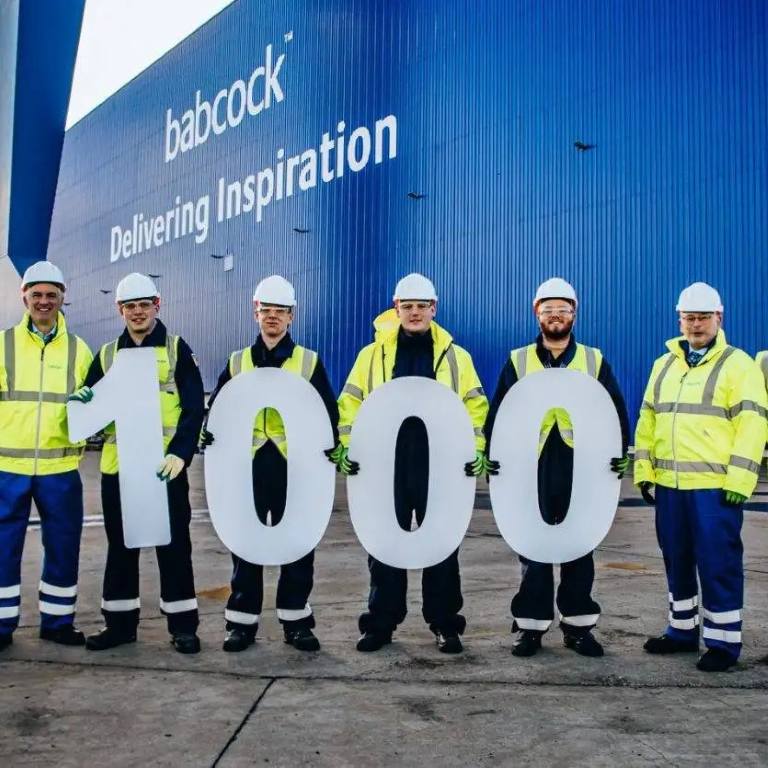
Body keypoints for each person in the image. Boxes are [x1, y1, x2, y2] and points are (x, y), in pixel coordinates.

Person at [332, 272, 491, 654]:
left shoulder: (457, 357)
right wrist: (350, 447)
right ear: (396, 308)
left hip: (439, 467)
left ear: (434, 309)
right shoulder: (372, 356)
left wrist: (475, 448)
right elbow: (351, 402)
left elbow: (475, 405)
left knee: (441, 546)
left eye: (422, 306)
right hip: (387, 466)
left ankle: (445, 625)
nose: (415, 313)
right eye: (408, 306)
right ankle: (380, 624)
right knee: (385, 545)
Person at [485, 277, 630, 658]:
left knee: (579, 543)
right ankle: (530, 628)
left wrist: (620, 452)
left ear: (574, 315)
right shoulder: (518, 360)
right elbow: (499, 411)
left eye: (563, 310)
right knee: (532, 544)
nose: (556, 316)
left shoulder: (593, 360)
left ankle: (579, 627)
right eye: (549, 310)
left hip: (578, 463)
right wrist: (493, 456)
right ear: (537, 314)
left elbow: (614, 408)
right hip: (531, 464)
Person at [201, 275, 339, 653]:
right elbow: (218, 409)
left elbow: (328, 413)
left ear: (292, 317)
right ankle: (241, 624)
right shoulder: (238, 361)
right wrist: (207, 433)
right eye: (267, 311)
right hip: (248, 468)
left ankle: (295, 622)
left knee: (297, 543)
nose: (273, 318)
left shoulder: (308, 362)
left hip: (294, 468)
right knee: (246, 542)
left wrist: (333, 450)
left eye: (281, 312)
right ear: (255, 313)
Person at [635, 282, 767, 672]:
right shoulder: (664, 365)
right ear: (679, 319)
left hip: (715, 489)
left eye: (702, 318)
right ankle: (681, 631)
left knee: (718, 562)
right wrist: (645, 472)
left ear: (718, 318)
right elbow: (647, 420)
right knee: (676, 560)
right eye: (688, 318)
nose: (695, 325)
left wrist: (741, 481)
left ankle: (724, 644)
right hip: (671, 487)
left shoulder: (737, 364)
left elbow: (753, 425)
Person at [74, 273, 205, 654]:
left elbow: (194, 408)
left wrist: (181, 453)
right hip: (119, 470)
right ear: (120, 310)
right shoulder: (107, 355)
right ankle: (119, 626)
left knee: (175, 546)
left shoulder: (178, 350)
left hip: (165, 469)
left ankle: (183, 628)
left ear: (157, 305)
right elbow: (91, 412)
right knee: (121, 548)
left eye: (144, 305)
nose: (137, 312)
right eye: (129, 306)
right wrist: (82, 400)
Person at [0, 262, 92, 649]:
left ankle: (57, 622)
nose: (43, 301)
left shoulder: (79, 349)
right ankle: (1, 626)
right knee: (3, 549)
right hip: (8, 466)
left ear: (61, 299)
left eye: (51, 295)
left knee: (63, 545)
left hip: (60, 467)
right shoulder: (3, 344)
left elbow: (94, 408)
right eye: (36, 294)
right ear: (24, 298)